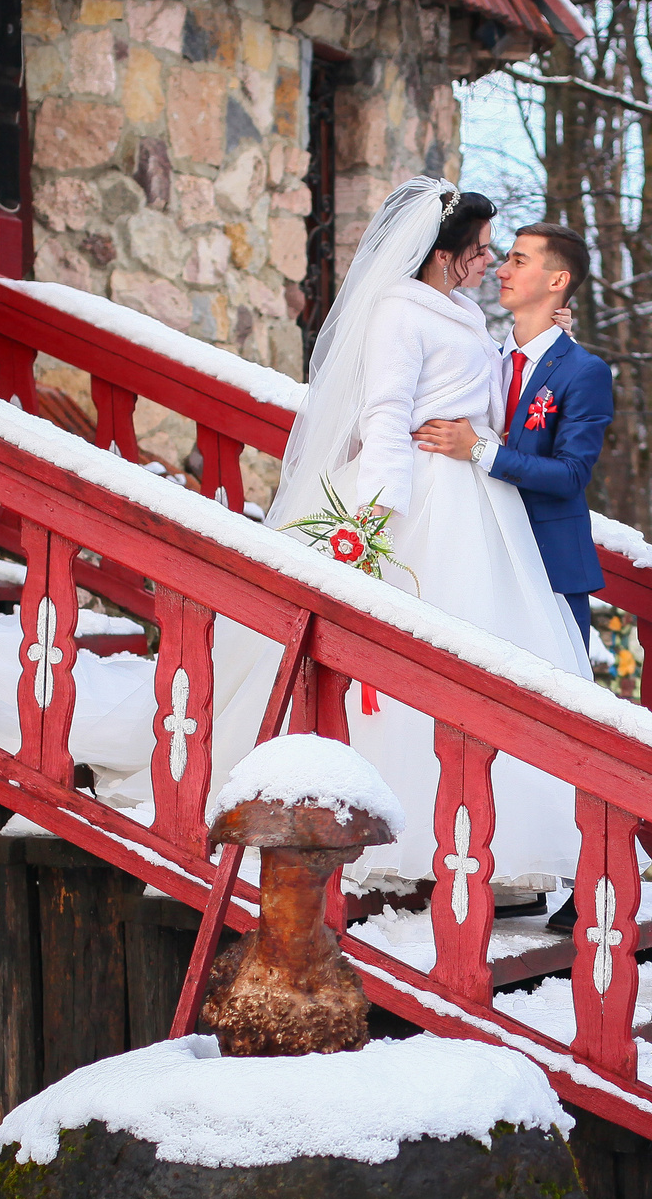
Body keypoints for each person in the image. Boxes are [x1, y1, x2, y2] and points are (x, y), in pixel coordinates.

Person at [205, 178, 592, 897]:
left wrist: (547, 342)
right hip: (413, 497)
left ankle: (485, 843)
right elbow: (385, 412)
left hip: (476, 498)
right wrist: (375, 515)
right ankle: (386, 831)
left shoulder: (463, 314)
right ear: (444, 255)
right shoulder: (396, 312)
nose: (490, 265)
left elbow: (493, 391)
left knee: (488, 651)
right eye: (480, 252)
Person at [414, 223, 611, 646]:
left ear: (558, 281)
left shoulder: (584, 371)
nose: (501, 271)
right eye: (504, 260)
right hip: (480, 556)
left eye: (518, 261)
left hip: (549, 561)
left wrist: (478, 450)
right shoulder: (484, 358)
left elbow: (571, 474)